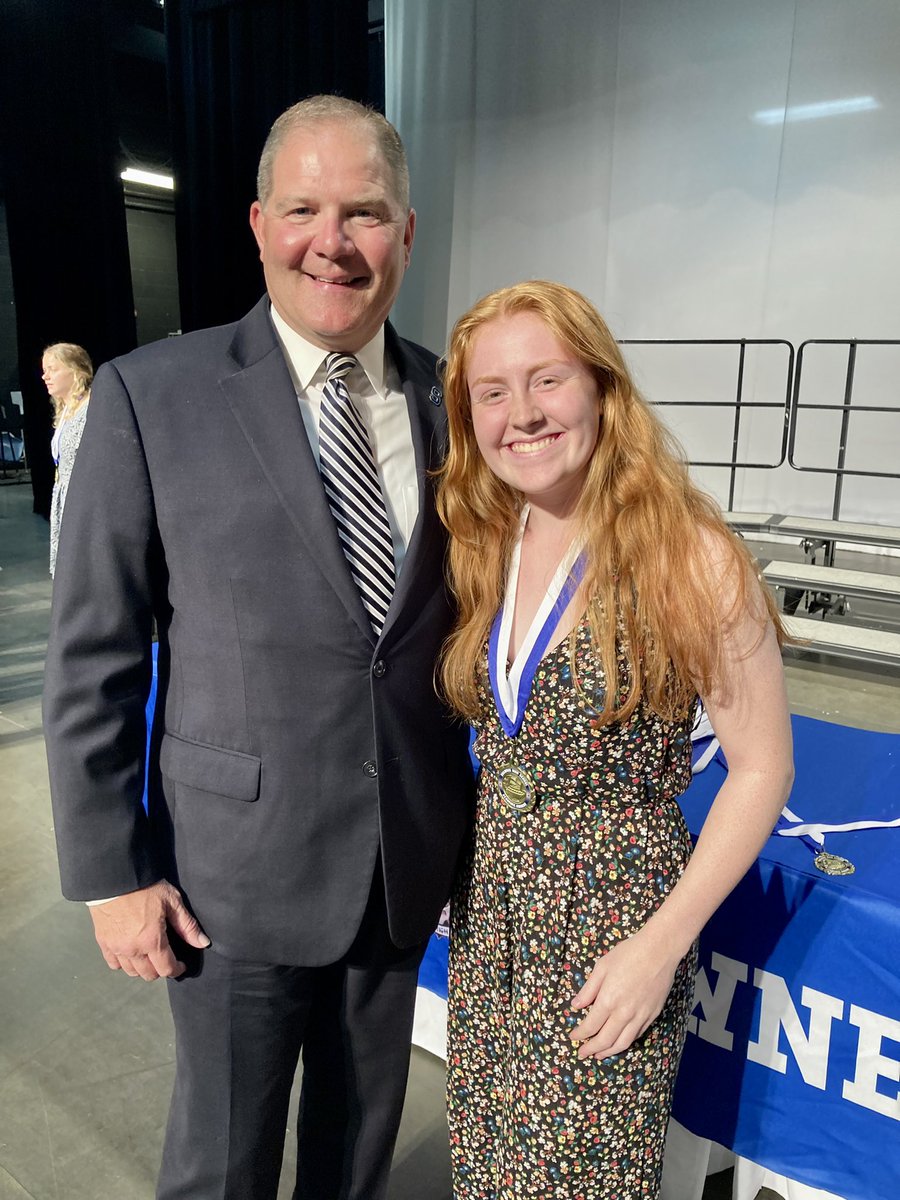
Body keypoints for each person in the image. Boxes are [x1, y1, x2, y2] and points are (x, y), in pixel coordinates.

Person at [42, 95, 472, 1200]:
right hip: (225, 880)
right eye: (304, 209)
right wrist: (111, 874)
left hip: (395, 870)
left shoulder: (454, 403)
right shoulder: (152, 396)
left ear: (408, 235)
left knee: (356, 1158)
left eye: (366, 213)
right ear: (256, 224)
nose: (333, 241)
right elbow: (94, 659)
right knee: (221, 1166)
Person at [436, 281, 794, 1198]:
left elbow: (761, 768)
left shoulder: (690, 553)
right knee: (489, 1167)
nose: (521, 414)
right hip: (495, 915)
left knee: (584, 1180)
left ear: (600, 387)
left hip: (612, 926)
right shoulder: (488, 537)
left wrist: (661, 945)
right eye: (492, 391)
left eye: (546, 379)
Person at [42, 341, 93, 577]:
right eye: (44, 370)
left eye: (53, 369)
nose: (45, 376)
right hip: (64, 495)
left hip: (84, 501)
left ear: (75, 370)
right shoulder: (66, 410)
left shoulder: (90, 408)